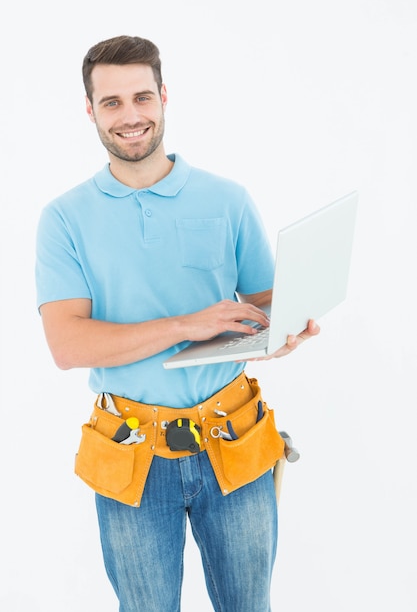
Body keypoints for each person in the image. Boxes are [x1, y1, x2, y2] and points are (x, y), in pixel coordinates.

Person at [36, 35, 319, 612]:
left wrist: (283, 329)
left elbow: (264, 303)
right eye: (112, 102)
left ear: (164, 97)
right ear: (90, 110)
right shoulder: (64, 219)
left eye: (143, 96)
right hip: (131, 451)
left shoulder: (227, 198)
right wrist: (184, 324)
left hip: (233, 439)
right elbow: (67, 345)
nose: (131, 116)